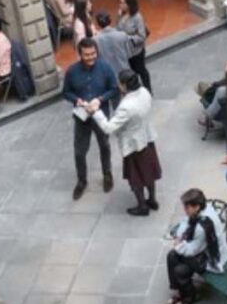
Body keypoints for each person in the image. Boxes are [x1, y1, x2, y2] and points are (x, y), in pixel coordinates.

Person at [87, 70, 161, 216]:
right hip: (147, 138)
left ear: (124, 84)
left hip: (133, 145)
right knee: (149, 172)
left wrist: (95, 112)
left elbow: (108, 128)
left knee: (136, 178)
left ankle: (142, 206)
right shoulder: (144, 92)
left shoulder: (126, 105)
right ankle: (152, 199)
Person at [62, 38, 119, 200]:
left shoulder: (105, 68)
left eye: (93, 53)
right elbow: (66, 92)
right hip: (82, 117)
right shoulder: (72, 71)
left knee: (104, 146)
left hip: (100, 115)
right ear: (80, 54)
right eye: (86, 55)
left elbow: (114, 89)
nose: (90, 57)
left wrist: (100, 99)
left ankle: (107, 174)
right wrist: (77, 100)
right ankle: (82, 180)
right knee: (79, 151)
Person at [166, 189, 227, 304]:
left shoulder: (202, 227)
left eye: (187, 207)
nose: (185, 210)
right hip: (203, 248)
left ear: (197, 207)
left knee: (180, 269)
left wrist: (177, 245)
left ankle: (191, 296)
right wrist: (181, 237)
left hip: (211, 258)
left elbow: (192, 250)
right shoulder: (200, 211)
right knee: (171, 256)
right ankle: (179, 291)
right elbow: (185, 223)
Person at [118, 0, 152, 93]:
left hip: (136, 51)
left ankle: (148, 89)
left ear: (129, 4)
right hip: (125, 50)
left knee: (141, 69)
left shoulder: (137, 18)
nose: (120, 5)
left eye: (122, 3)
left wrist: (128, 38)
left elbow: (142, 36)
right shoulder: (121, 14)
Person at [93, 11, 134, 87]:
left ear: (97, 24)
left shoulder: (94, 40)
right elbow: (129, 54)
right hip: (125, 72)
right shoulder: (122, 35)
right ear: (110, 20)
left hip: (108, 75)